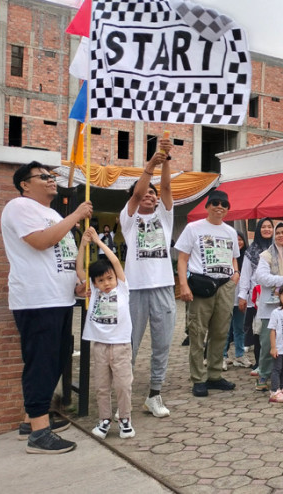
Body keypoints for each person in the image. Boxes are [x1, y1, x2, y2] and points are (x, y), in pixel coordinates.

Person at [2, 162, 92, 454]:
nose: (51, 180)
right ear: (25, 184)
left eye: (52, 176)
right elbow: (41, 242)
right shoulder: (19, 207)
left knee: (58, 358)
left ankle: (32, 420)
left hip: (60, 299)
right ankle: (38, 435)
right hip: (37, 300)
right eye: (43, 176)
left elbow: (61, 256)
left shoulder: (52, 214)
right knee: (41, 363)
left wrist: (75, 284)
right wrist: (77, 215)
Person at [121, 136, 175, 417]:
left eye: (153, 194)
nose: (151, 195)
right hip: (135, 291)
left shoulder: (165, 218)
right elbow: (135, 194)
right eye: (146, 193)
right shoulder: (129, 220)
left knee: (162, 343)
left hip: (164, 288)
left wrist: (164, 157)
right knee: (128, 344)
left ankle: (154, 394)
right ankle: (123, 397)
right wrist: (150, 165)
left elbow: (165, 186)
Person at [176, 189, 241, 397]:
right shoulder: (193, 228)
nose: (219, 207)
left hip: (225, 286)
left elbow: (233, 257)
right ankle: (198, 379)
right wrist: (183, 285)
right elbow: (183, 259)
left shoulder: (230, 232)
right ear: (207, 206)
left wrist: (236, 273)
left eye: (224, 204)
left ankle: (214, 375)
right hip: (201, 286)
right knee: (197, 333)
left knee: (221, 332)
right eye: (215, 203)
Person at [76, 228, 135, 440]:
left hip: (120, 345)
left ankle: (125, 419)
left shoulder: (122, 288)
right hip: (99, 345)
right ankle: (104, 420)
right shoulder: (93, 292)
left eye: (109, 278)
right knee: (101, 386)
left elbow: (115, 262)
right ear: (95, 282)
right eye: (101, 280)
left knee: (123, 385)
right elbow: (80, 269)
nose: (106, 283)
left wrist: (98, 243)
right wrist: (84, 243)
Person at [253, 222, 283, 392]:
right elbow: (262, 277)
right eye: (277, 233)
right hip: (269, 308)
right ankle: (264, 374)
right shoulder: (266, 255)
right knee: (267, 342)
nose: (280, 235)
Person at [239, 218, 274, 372]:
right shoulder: (251, 251)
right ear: (259, 229)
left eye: (269, 227)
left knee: (275, 330)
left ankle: (276, 362)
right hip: (257, 298)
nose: (267, 230)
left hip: (277, 296)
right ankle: (260, 363)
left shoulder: (278, 248)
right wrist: (242, 295)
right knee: (259, 331)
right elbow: (245, 275)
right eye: (263, 227)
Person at [222, 231, 249, 370]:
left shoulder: (248, 257)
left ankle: (239, 356)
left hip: (241, 298)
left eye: (241, 239)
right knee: (224, 329)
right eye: (236, 239)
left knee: (239, 328)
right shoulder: (226, 257)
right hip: (226, 297)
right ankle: (223, 356)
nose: (238, 242)